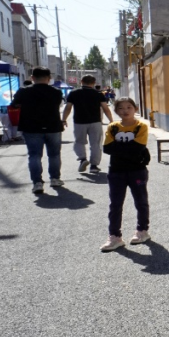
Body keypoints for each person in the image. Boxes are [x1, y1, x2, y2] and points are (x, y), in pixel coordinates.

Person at [100, 97, 152, 252]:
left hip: (137, 170)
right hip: (116, 171)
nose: (125, 111)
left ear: (135, 109)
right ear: (116, 111)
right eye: (121, 108)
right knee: (115, 204)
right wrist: (129, 148)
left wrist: (118, 148)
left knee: (141, 201)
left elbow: (139, 147)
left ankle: (142, 230)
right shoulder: (113, 127)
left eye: (129, 107)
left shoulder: (141, 126)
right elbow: (107, 148)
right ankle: (115, 236)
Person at [11, 67, 65, 194]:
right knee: (54, 154)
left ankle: (37, 183)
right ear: (49, 78)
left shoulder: (23, 91)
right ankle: (55, 179)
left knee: (34, 155)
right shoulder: (56, 92)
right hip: (53, 127)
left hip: (31, 127)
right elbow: (58, 104)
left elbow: (14, 104)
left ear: (32, 78)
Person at [62, 75, 114, 174]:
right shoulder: (98, 94)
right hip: (95, 122)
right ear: (94, 83)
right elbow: (105, 108)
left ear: (81, 81)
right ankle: (94, 166)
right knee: (96, 144)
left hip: (79, 122)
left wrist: (64, 120)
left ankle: (82, 158)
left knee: (79, 142)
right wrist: (111, 120)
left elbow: (68, 107)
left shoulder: (74, 93)